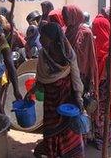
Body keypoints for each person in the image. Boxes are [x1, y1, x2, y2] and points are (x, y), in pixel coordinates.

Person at [26, 22, 85, 157]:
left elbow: (75, 76)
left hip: (66, 98)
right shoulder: (43, 54)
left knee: (69, 130)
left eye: (43, 37)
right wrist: (31, 92)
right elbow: (40, 80)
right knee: (51, 130)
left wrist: (78, 97)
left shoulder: (68, 53)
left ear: (52, 38)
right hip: (51, 102)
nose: (40, 39)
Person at [91, 13, 111, 149]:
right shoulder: (103, 47)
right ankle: (103, 138)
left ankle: (102, 140)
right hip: (102, 88)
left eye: (95, 28)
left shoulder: (104, 50)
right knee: (102, 112)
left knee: (101, 112)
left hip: (102, 89)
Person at [62, 5, 99, 104]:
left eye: (67, 15)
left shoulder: (86, 33)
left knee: (79, 105)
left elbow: (91, 57)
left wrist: (91, 78)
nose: (64, 18)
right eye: (64, 15)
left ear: (74, 16)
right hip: (66, 73)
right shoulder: (65, 32)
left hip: (81, 75)